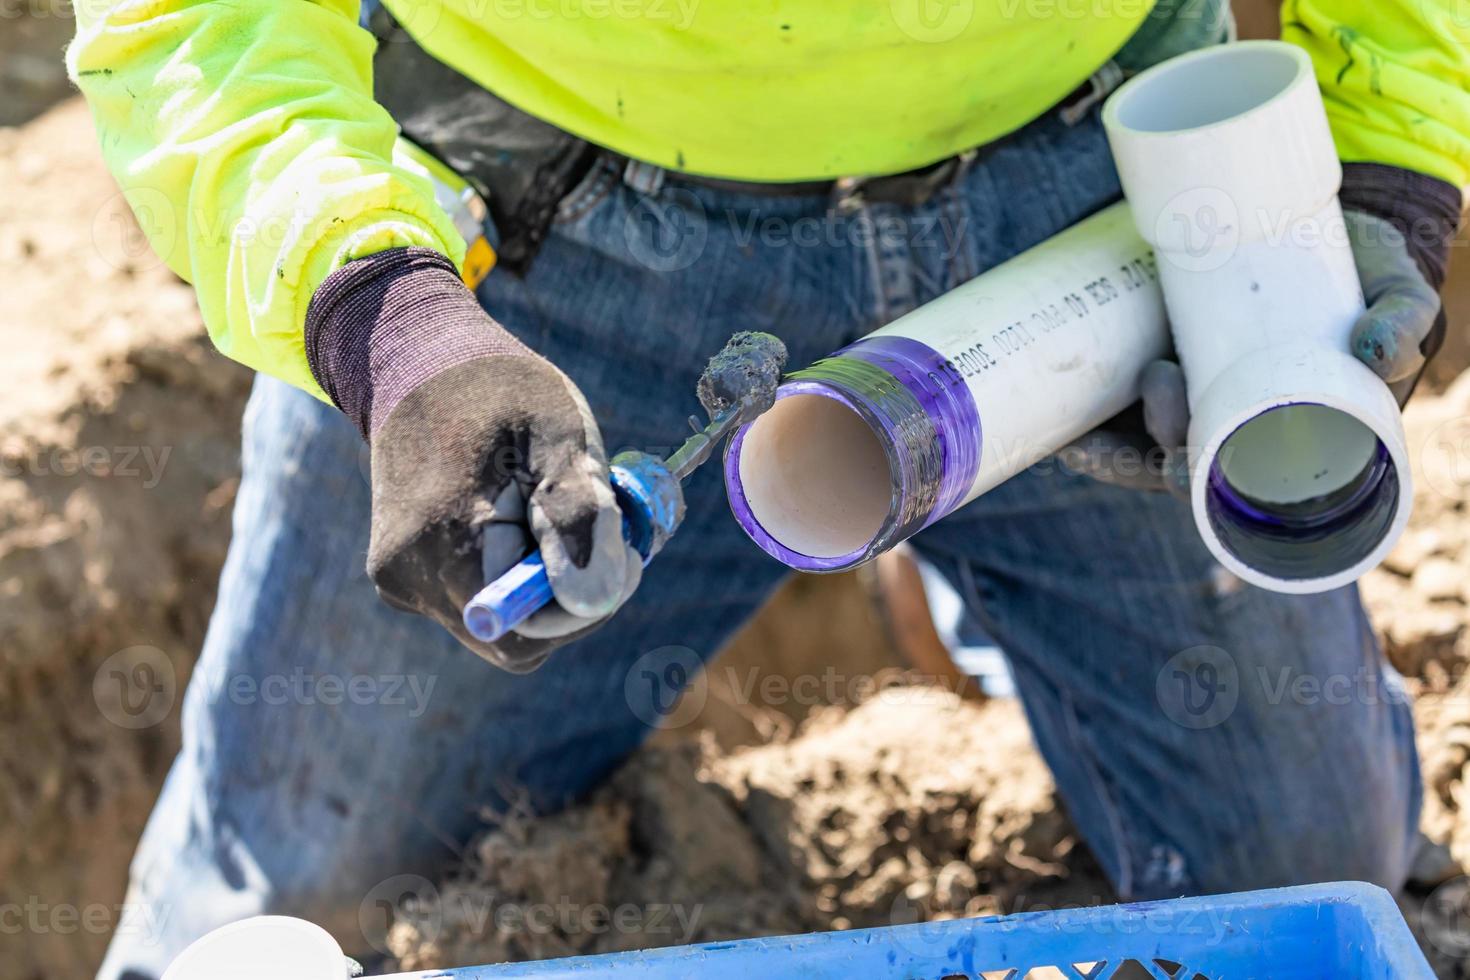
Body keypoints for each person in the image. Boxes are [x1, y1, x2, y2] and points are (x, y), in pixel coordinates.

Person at [69, 0, 1465, 976]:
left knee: (1305, 868)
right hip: (544, 235)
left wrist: (1389, 168)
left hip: (1100, 196)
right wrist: (390, 326)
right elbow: (187, 16)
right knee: (294, 910)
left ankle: (970, 541)